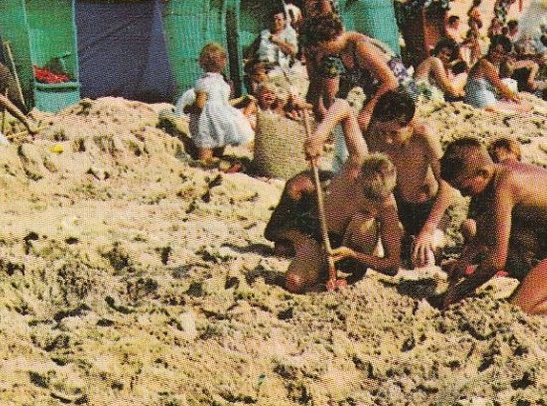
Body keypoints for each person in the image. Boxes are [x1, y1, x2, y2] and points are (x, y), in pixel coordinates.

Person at [435, 138, 547, 315]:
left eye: (465, 188)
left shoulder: (505, 185)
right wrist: (464, 261)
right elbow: (485, 232)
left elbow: (496, 261)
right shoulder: (499, 175)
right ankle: (539, 287)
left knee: (519, 309)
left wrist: (460, 291)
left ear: (482, 173)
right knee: (509, 244)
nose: (464, 195)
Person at [264, 153, 403, 293]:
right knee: (293, 281)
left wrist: (352, 254)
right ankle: (324, 276)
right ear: (357, 180)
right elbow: (348, 130)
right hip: (324, 242)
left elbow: (392, 266)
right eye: (369, 199)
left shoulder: (387, 207)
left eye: (378, 200)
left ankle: (348, 279)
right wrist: (318, 138)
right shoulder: (348, 175)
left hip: (354, 253)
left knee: (363, 221)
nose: (374, 208)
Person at [365, 91, 455, 268]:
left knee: (424, 260)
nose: (388, 140)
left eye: (394, 133)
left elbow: (448, 185)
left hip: (427, 209)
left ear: (410, 125)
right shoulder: (374, 134)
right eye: (383, 131)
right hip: (396, 208)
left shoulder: (423, 136)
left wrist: (428, 230)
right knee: (374, 252)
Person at [183, 42, 253, 166]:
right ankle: (225, 163)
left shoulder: (203, 82)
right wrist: (241, 100)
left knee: (204, 159)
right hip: (223, 121)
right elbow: (223, 104)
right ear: (223, 63)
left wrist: (188, 108)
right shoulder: (223, 83)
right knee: (219, 149)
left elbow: (200, 105)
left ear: (202, 62)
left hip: (207, 123)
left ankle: (221, 166)